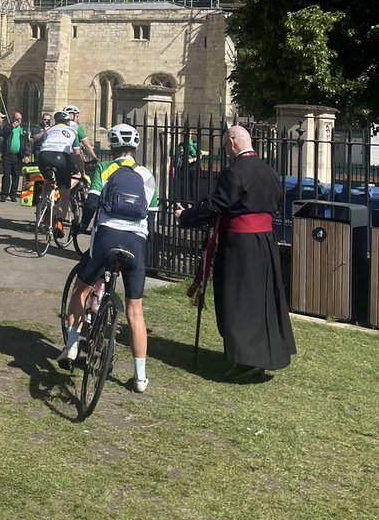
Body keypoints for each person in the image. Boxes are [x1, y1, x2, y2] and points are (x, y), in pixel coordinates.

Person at [176, 125, 296, 379]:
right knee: (261, 299)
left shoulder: (234, 172)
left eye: (224, 146)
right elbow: (275, 202)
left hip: (240, 245)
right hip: (265, 243)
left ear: (231, 143)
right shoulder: (270, 171)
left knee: (238, 299)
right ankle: (262, 353)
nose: (226, 151)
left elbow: (216, 204)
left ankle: (246, 360)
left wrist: (186, 216)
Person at [58, 123, 157, 394]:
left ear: (112, 147)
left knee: (81, 288)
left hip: (106, 238)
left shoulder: (104, 168)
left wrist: (81, 226)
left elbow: (91, 203)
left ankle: (72, 346)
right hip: (136, 243)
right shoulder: (148, 175)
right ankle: (140, 378)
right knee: (135, 310)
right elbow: (151, 217)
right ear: (135, 147)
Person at [36, 111, 85, 237]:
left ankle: (44, 207)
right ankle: (59, 222)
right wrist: (82, 172)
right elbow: (77, 155)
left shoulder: (49, 130)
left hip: (43, 156)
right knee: (65, 193)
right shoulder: (72, 131)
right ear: (68, 122)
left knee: (47, 181)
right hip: (61, 158)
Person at [0, 110, 29, 202]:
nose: (18, 121)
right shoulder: (8, 127)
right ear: (13, 119)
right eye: (16, 119)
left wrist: (26, 154)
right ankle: (4, 195)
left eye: (20, 119)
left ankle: (13, 194)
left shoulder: (22, 130)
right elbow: (3, 134)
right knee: (6, 175)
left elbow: (26, 143)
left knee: (16, 176)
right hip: (8, 155)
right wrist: (11, 127)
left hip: (18, 156)